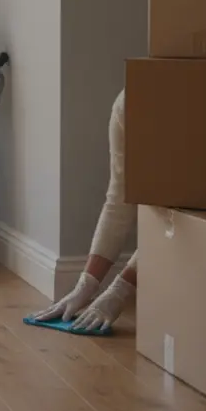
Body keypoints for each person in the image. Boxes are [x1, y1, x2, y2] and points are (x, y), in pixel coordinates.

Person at [29, 89, 138, 332]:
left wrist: (119, 291)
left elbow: (174, 226)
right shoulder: (125, 105)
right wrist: (86, 285)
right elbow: (120, 199)